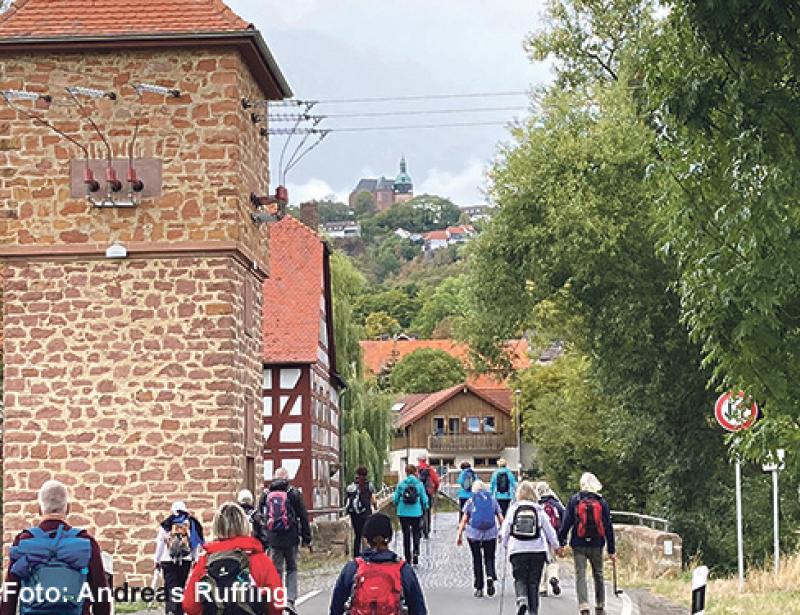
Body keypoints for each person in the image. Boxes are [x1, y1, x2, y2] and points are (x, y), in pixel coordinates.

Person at [1, 479, 111, 615]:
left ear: (39, 509)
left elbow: (9, 594)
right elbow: (101, 593)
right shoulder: (85, 542)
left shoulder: (24, 541)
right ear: (68, 508)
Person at [182, 502, 285, 615]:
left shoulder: (206, 561)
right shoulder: (260, 559)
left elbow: (189, 605)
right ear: (245, 525)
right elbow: (277, 602)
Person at [329, 513, 427, 615]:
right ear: (390, 538)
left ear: (366, 539)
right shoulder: (403, 570)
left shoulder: (353, 568)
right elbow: (419, 609)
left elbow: (336, 608)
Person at [500, 480, 562, 615]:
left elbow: (504, 530)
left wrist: (505, 545)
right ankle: (533, 611)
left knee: (520, 578)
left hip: (517, 550)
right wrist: (556, 546)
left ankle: (522, 600)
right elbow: (549, 530)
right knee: (534, 582)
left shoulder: (513, 509)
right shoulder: (538, 510)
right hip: (537, 551)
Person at [558, 472, 616, 615]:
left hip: (579, 543)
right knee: (599, 573)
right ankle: (600, 603)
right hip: (597, 543)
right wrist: (611, 550)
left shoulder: (574, 500)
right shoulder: (602, 502)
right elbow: (608, 526)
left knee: (580, 574)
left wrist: (561, 542)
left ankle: (584, 605)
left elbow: (566, 523)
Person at [259, 467, 312, 611]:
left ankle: (277, 599)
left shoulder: (266, 495)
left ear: (274, 478)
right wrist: (306, 538)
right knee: (292, 568)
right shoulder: (293, 494)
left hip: (274, 539)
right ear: (287, 479)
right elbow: (303, 516)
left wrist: (263, 537)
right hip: (291, 538)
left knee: (276, 570)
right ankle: (290, 599)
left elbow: (260, 516)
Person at [154, 500, 205, 615]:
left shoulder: (167, 524)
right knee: (181, 586)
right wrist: (195, 559)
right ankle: (179, 611)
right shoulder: (191, 524)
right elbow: (194, 543)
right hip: (185, 560)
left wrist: (156, 560)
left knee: (170, 586)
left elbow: (160, 544)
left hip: (168, 560)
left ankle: (171, 610)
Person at [456, 480, 504, 598]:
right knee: (490, 557)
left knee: (477, 559)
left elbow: (464, 519)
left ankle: (479, 588)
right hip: (490, 534)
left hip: (474, 535)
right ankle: (490, 575)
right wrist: (502, 532)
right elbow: (500, 517)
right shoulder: (492, 500)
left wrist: (459, 534)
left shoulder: (471, 501)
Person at [392, 464, 429, 566]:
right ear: (415, 472)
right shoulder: (419, 484)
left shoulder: (401, 484)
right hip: (416, 513)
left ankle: (408, 557)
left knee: (406, 534)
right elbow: (424, 499)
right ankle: (416, 551)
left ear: (406, 472)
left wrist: (397, 504)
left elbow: (395, 499)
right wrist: (425, 507)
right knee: (416, 533)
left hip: (403, 513)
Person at [535, 481, 566, 597]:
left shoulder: (537, 505)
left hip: (539, 538)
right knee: (552, 561)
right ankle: (553, 577)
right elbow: (564, 521)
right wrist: (562, 541)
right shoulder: (556, 504)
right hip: (554, 536)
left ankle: (542, 587)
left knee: (541, 562)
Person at [345, 466, 378, 557]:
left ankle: (356, 556)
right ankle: (367, 554)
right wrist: (375, 508)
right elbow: (374, 501)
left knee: (358, 535)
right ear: (366, 474)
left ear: (357, 474)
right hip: (366, 513)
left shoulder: (351, 487)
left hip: (355, 515)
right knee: (367, 534)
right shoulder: (369, 486)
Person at [416, 456, 439, 539]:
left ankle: (418, 530)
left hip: (418, 493)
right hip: (427, 493)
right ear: (425, 460)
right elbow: (436, 481)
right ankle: (426, 531)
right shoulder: (430, 469)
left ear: (419, 460)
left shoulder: (417, 469)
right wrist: (435, 489)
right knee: (427, 512)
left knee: (418, 511)